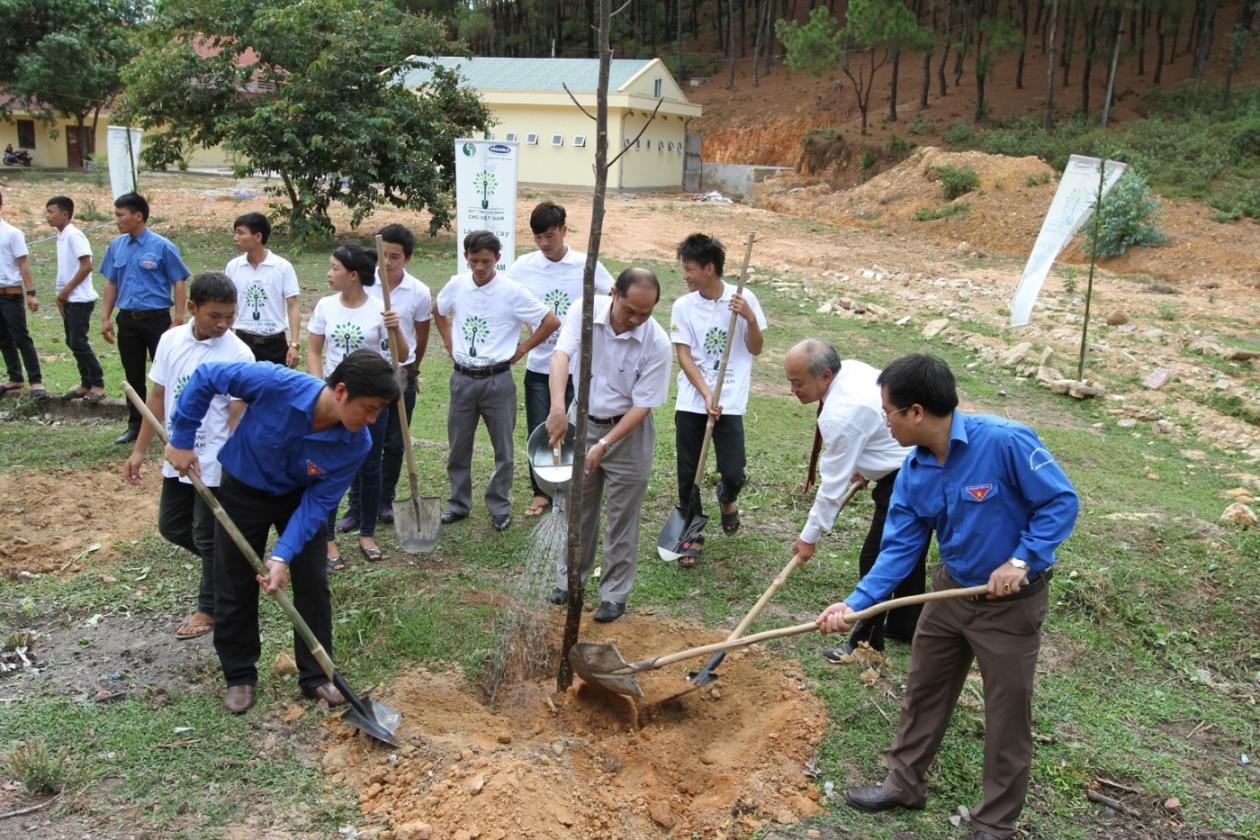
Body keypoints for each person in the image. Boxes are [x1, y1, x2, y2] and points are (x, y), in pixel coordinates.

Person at [816, 354, 1079, 840]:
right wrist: (856, 604)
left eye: (888, 413)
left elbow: (1060, 501)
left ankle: (995, 822)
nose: (885, 422)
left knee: (1007, 714)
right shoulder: (914, 470)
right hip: (949, 593)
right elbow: (899, 549)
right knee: (924, 690)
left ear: (916, 412)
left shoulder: (1004, 441)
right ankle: (904, 785)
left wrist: (1020, 560)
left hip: (1009, 606)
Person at [165, 349, 400, 714]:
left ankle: (316, 675)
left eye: (378, 413)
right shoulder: (277, 383)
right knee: (234, 581)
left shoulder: (356, 443)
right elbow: (207, 375)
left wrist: (281, 555)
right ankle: (240, 675)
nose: (371, 420)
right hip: (243, 488)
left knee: (313, 582)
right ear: (340, 391)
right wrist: (181, 438)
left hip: (299, 498)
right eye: (368, 408)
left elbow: (318, 505)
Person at [124, 272, 253, 640]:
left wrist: (232, 461)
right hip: (176, 451)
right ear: (192, 308)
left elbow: (237, 412)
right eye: (216, 316)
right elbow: (158, 397)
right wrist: (139, 450)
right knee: (171, 525)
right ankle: (231, 570)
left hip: (213, 459)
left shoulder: (237, 352)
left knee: (206, 533)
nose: (224, 324)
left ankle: (208, 607)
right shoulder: (170, 340)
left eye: (230, 315)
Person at [785, 339, 927, 657]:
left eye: (797, 382)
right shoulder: (849, 369)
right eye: (789, 381)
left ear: (824, 376)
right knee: (909, 551)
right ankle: (906, 625)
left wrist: (809, 538)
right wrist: (867, 466)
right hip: (917, 461)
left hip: (908, 477)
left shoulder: (841, 414)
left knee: (877, 558)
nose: (792, 389)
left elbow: (831, 488)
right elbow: (876, 428)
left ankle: (866, 641)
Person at [545, 268, 672, 623]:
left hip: (627, 433)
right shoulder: (583, 311)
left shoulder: (657, 343)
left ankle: (614, 594)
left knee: (622, 516)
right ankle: (569, 581)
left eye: (645, 314)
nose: (635, 319)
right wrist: (558, 407)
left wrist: (604, 442)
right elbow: (560, 357)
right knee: (578, 507)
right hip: (580, 420)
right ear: (614, 292)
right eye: (630, 310)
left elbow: (643, 404)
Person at [433, 230, 560, 532]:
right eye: (474, 260)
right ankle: (458, 504)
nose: (479, 267)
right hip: (462, 378)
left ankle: (499, 505)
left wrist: (522, 350)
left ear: (498, 259)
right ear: (465, 257)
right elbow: (438, 311)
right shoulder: (457, 285)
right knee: (458, 446)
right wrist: (450, 343)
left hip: (497, 380)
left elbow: (551, 320)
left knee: (503, 449)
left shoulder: (512, 291)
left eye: (486, 261)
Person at [508, 201, 613, 518]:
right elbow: (509, 301)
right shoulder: (522, 267)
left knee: (576, 430)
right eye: (538, 237)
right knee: (540, 429)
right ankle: (541, 493)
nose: (543, 244)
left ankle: (569, 491)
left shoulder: (586, 265)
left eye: (550, 236)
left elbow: (615, 296)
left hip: (580, 370)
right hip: (541, 366)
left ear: (564, 231)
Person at [668, 233, 766, 565]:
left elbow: (756, 348)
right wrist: (707, 392)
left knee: (734, 471)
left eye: (690, 269)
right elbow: (684, 356)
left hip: (732, 400)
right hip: (693, 400)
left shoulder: (743, 298)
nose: (686, 275)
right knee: (688, 471)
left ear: (710, 269)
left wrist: (750, 317)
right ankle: (691, 534)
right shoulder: (683, 306)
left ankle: (727, 496)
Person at [307, 242, 404, 567]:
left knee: (370, 465)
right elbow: (314, 351)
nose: (329, 273)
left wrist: (396, 328)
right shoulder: (325, 306)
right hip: (335, 401)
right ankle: (328, 539)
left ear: (352, 275)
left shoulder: (381, 307)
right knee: (329, 467)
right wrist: (320, 388)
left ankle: (367, 533)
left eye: (334, 268)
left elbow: (402, 355)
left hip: (369, 402)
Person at [341, 223, 431, 528]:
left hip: (400, 374)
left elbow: (420, 336)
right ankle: (356, 506)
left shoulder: (418, 292)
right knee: (361, 440)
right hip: (366, 377)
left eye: (395, 256)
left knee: (395, 441)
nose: (388, 262)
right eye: (384, 255)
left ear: (408, 258)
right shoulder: (365, 285)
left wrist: (412, 372)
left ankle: (384, 500)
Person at [99, 192, 190, 444]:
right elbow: (111, 283)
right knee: (133, 375)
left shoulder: (162, 246)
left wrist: (179, 318)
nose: (116, 220)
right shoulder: (116, 246)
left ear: (137, 216)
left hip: (157, 321)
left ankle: (174, 425)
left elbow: (179, 281)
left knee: (167, 373)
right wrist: (105, 317)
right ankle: (136, 426)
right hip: (127, 320)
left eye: (120, 215)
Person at [46, 196, 106, 403]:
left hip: (80, 299)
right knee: (72, 342)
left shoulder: (74, 235)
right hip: (68, 299)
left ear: (64, 214)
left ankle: (98, 384)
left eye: (51, 211)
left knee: (78, 342)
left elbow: (86, 266)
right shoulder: (61, 236)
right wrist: (61, 295)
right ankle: (85, 382)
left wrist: (66, 292)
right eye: (47, 212)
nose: (48, 216)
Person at [224, 212, 301, 367]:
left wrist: (294, 345)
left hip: (275, 343)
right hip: (243, 341)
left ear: (258, 237)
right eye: (235, 233)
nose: (235, 238)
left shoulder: (282, 267)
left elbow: (292, 306)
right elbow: (227, 304)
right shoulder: (233, 267)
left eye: (240, 233)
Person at [0, 191, 47, 399]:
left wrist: (31, 293)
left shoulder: (12, 233)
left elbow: (23, 264)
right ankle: (15, 377)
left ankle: (36, 381)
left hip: (10, 293)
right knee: (3, 338)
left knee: (21, 337)